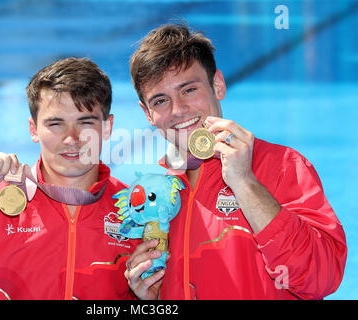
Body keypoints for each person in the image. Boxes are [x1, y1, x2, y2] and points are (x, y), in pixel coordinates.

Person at [125, 23, 347, 300]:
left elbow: (320, 278)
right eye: (160, 101)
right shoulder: (152, 193)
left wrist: (245, 183)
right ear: (147, 114)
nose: (178, 110)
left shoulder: (283, 166)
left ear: (217, 85)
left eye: (189, 90)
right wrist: (150, 298)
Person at [0, 57, 140, 300]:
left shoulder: (137, 212)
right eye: (56, 124)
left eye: (85, 122)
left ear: (107, 127)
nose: (72, 138)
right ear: (33, 129)